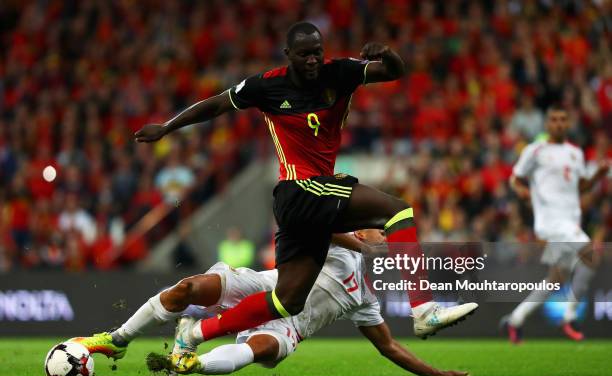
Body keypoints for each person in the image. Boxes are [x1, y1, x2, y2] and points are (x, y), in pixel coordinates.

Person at [132, 21, 477, 344]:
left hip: (311, 199)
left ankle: (194, 333)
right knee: (398, 211)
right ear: (288, 55)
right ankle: (424, 309)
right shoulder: (266, 85)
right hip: (299, 189)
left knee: (288, 302)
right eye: (304, 54)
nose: (313, 60)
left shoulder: (340, 73)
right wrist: (166, 127)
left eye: (317, 52)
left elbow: (393, 71)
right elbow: (216, 105)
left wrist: (386, 53)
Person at [73, 231, 468, 376]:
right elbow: (321, 224)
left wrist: (436, 373)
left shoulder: (365, 296)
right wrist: (360, 241)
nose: (382, 237)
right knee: (188, 289)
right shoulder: (337, 241)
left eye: (384, 234)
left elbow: (389, 346)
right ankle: (117, 338)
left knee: (259, 351)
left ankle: (188, 361)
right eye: (376, 230)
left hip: (286, 327)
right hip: (259, 287)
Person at [502, 105, 610, 343]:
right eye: (554, 120)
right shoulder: (535, 150)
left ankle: (515, 319)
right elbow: (515, 178)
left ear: (568, 124)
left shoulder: (575, 153)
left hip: (570, 219)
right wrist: (522, 192)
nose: (559, 124)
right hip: (550, 220)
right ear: (547, 124)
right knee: (592, 257)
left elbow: (581, 187)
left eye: (563, 120)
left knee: (556, 278)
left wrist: (598, 176)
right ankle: (569, 316)